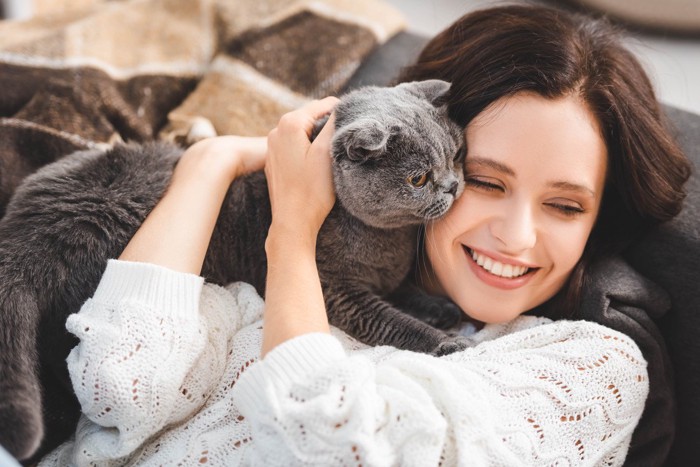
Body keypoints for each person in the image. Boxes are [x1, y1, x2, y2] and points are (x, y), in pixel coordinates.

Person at [39, 4, 690, 466]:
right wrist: (206, 169)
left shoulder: (591, 369)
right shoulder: (266, 279)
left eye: (565, 206)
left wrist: (292, 237)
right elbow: (114, 390)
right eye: (487, 183)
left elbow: (328, 443)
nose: (517, 236)